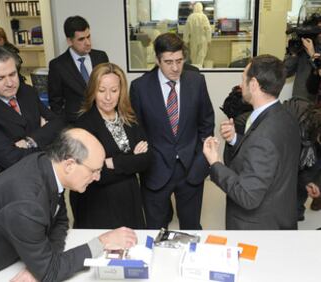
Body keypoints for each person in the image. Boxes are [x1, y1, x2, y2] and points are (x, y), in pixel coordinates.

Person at [0, 128, 138, 282]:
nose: (98, 177)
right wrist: (101, 242)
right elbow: (51, 274)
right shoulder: (26, 203)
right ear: (70, 164)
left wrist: (41, 266)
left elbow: (58, 219)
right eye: (94, 170)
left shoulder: (46, 164)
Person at [203, 54, 301, 230]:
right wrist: (235, 139)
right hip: (281, 215)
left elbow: (247, 196)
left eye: (243, 80)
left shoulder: (264, 136)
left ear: (254, 84)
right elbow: (269, 159)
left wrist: (215, 163)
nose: (241, 86)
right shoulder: (285, 116)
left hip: (259, 226)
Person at [130, 33, 215, 230]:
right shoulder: (140, 87)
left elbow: (206, 122)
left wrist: (200, 161)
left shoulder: (196, 81)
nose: (175, 68)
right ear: (158, 60)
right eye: (168, 62)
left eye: (179, 61)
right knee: (156, 230)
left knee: (191, 227)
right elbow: (137, 130)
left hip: (190, 168)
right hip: (155, 169)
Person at [0, 45, 65, 188]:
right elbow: (12, 159)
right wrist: (48, 140)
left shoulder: (27, 91)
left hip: (47, 180)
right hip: (11, 188)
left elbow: (58, 123)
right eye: (0, 78)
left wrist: (29, 141)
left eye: (12, 74)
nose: (10, 83)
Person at [71, 63, 149, 229]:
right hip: (98, 203)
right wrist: (131, 161)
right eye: (101, 90)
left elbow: (147, 160)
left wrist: (112, 162)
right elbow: (91, 175)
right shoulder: (84, 124)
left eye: (114, 91)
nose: (108, 97)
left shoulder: (129, 117)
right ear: (93, 90)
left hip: (129, 197)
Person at [48, 15, 109, 122]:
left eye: (88, 36)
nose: (88, 43)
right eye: (81, 39)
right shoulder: (57, 65)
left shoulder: (101, 57)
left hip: (103, 119)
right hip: (76, 123)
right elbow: (55, 103)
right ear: (69, 41)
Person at [284, 13, 321, 101]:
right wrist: (294, 53)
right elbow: (285, 72)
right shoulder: (303, 49)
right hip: (301, 104)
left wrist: (312, 55)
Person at [183, 2, 211, 68]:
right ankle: (200, 69)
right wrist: (209, 40)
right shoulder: (204, 17)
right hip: (203, 39)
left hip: (193, 39)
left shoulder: (190, 17)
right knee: (201, 56)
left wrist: (185, 41)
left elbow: (186, 30)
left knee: (193, 56)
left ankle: (194, 70)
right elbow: (208, 29)